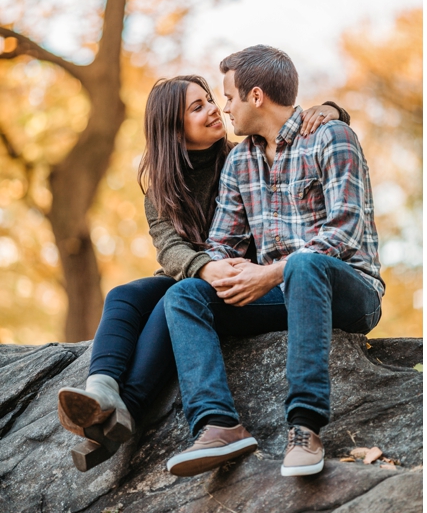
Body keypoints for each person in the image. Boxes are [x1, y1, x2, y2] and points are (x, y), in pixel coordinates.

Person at [55, 74, 347, 471]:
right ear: (173, 129)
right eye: (198, 107)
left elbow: (286, 125)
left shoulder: (243, 157)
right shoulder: (161, 189)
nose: (214, 109)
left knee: (174, 301)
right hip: (199, 272)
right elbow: (170, 249)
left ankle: (126, 412)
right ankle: (103, 390)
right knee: (125, 295)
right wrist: (205, 268)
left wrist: (332, 110)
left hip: (250, 276)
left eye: (210, 99)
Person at [162, 45, 384, 478]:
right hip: (282, 293)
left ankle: (305, 428)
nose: (225, 108)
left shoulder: (332, 137)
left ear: (256, 96)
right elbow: (223, 242)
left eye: (229, 97)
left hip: (349, 292)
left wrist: (269, 273)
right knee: (185, 295)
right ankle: (218, 424)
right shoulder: (239, 161)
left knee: (304, 265)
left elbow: (343, 231)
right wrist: (217, 271)